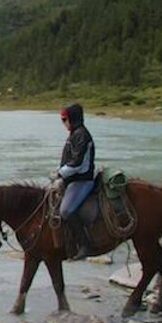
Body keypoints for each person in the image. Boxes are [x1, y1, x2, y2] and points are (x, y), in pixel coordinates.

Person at [55, 103, 96, 260]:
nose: (63, 123)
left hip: (82, 180)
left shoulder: (82, 136)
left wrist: (59, 173)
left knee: (66, 211)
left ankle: (84, 244)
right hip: (71, 179)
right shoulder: (74, 133)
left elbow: (77, 164)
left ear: (72, 119)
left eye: (64, 119)